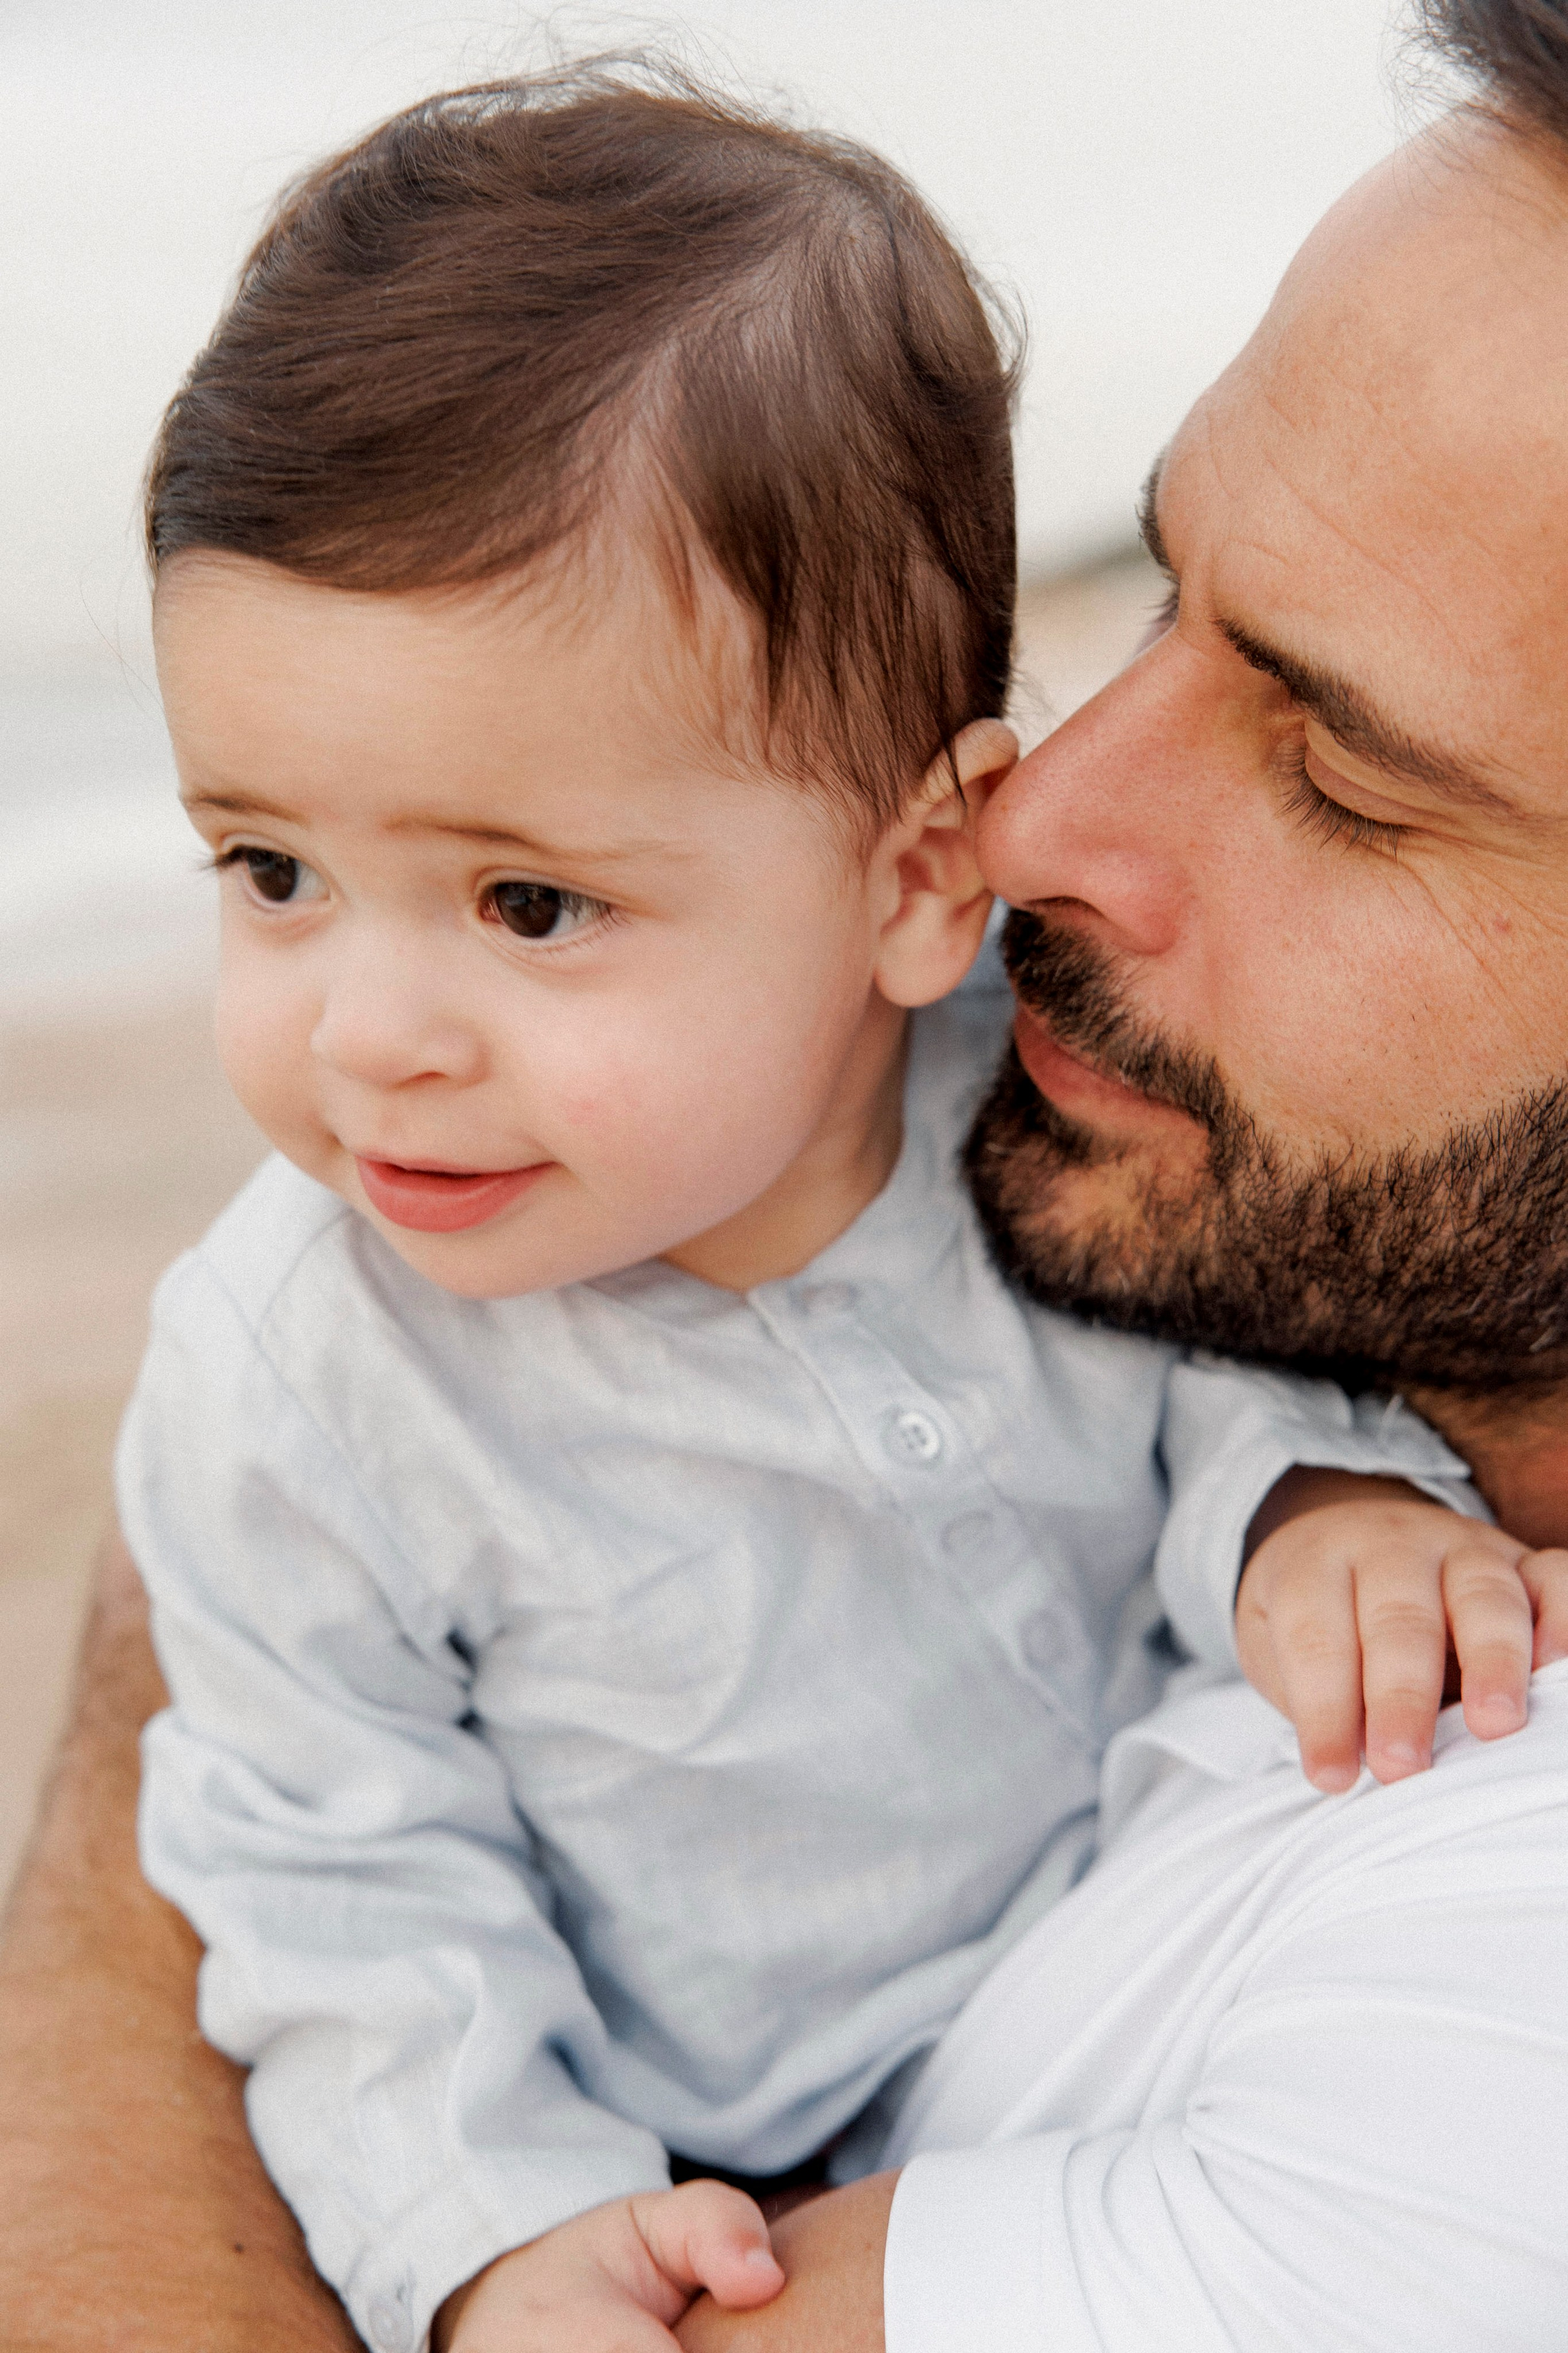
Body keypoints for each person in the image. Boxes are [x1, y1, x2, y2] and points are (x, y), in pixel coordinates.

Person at [2, 5, 1566, 2347]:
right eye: (269, 868)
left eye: (529, 899)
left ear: (899, 870)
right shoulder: (314, 1374)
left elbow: (1215, 1398)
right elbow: (334, 1878)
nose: (365, 1032)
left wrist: (1306, 1510)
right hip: (645, 2161)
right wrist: (488, 2235)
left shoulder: (1481, 2041)